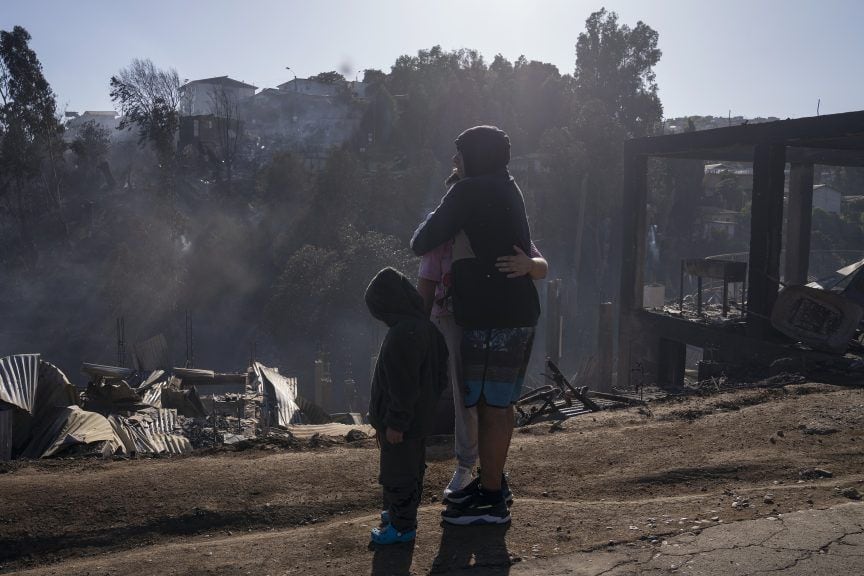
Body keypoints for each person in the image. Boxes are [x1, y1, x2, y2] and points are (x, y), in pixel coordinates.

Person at [411, 125, 543, 526]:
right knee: (497, 405)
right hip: (517, 312)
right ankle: (492, 485)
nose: (455, 162)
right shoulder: (509, 187)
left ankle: (490, 499)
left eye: (460, 154)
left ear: (476, 157)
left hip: (492, 316)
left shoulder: (468, 190)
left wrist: (441, 210)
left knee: (488, 406)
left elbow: (421, 242)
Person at [365, 267, 448, 544]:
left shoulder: (403, 334)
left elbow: (402, 385)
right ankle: (398, 515)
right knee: (411, 470)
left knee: (398, 474)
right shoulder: (427, 329)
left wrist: (396, 422)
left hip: (400, 425)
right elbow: (439, 376)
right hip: (418, 421)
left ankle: (401, 527)